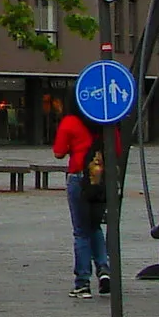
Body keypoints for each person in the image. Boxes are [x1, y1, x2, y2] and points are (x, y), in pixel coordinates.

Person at [52, 98, 111, 298]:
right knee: (95, 226)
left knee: (81, 231)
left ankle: (82, 282)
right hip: (102, 178)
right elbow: (117, 150)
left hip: (79, 176)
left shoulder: (70, 121)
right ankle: (104, 269)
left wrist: (75, 147)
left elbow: (58, 152)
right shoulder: (106, 120)